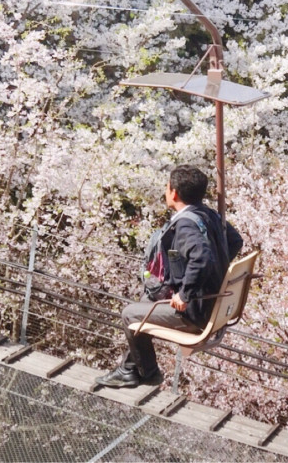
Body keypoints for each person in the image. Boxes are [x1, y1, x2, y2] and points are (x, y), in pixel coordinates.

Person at [96, 164, 243, 388]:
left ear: (173, 193)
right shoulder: (209, 214)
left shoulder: (185, 225)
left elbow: (201, 258)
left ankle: (149, 373)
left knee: (129, 315)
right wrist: (215, 273)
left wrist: (185, 294)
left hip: (194, 312)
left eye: (167, 187)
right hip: (213, 302)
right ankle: (129, 370)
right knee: (146, 301)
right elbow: (235, 241)